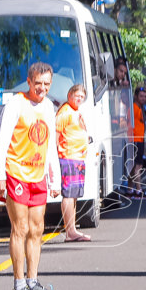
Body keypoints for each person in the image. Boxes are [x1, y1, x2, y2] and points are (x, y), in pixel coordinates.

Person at [0, 62, 61, 290]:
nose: (42, 88)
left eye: (46, 84)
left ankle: (33, 281)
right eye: (38, 83)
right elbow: (1, 140)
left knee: (37, 229)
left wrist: (56, 179)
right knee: (20, 228)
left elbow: (50, 145)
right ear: (29, 81)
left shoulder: (49, 107)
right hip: (16, 172)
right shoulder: (16, 104)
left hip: (38, 175)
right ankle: (18, 285)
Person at [56, 84, 91, 242]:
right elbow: (56, 136)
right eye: (77, 95)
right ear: (70, 95)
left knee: (74, 195)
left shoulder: (75, 112)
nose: (79, 99)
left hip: (77, 158)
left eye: (82, 97)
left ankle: (73, 228)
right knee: (69, 195)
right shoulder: (65, 112)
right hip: (68, 157)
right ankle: (70, 230)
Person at [127, 86, 146, 198]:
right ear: (136, 96)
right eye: (140, 96)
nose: (143, 98)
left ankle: (130, 189)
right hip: (136, 139)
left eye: (144, 96)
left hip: (138, 138)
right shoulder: (134, 108)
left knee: (133, 166)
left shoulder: (138, 107)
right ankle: (138, 190)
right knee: (138, 166)